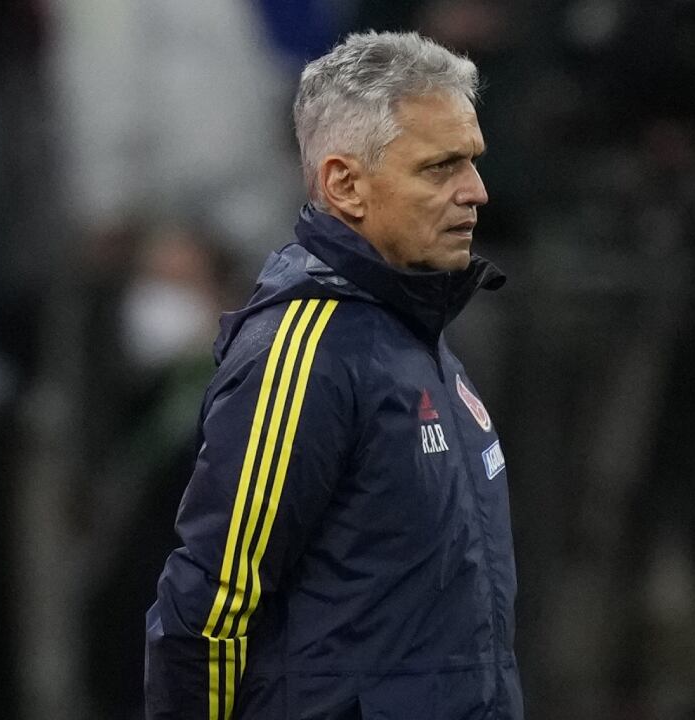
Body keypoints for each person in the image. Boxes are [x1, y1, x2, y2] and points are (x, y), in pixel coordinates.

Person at [144, 31, 523, 720]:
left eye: (472, 162)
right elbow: (209, 607)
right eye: (440, 168)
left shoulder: (424, 341)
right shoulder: (306, 354)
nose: (476, 192)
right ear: (344, 184)